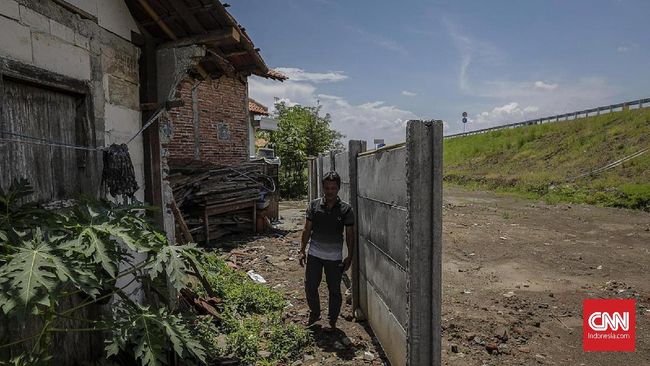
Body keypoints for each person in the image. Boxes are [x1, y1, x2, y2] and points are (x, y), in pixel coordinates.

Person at [299, 171, 355, 331]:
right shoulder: (314, 205)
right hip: (315, 254)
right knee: (310, 286)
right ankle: (315, 313)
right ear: (323, 187)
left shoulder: (346, 210)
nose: (330, 191)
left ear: (338, 188)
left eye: (333, 188)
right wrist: (302, 250)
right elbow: (306, 229)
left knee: (334, 291)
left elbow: (350, 235)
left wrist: (349, 256)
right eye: (327, 188)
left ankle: (332, 321)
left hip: (334, 257)